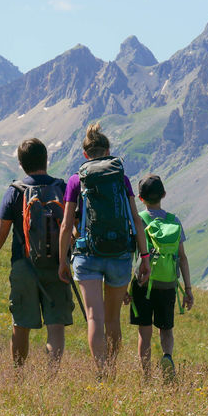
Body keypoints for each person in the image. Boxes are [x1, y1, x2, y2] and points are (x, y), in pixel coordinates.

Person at [58, 122, 150, 379]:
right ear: (109, 150)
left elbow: (66, 225)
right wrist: (144, 258)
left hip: (87, 255)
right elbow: (136, 219)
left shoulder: (77, 180)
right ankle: (112, 367)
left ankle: (102, 372)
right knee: (112, 320)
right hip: (120, 254)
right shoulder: (122, 178)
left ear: (85, 154)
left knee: (94, 318)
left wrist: (62, 261)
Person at [0, 138, 73, 371]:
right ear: (46, 159)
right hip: (58, 263)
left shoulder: (15, 191)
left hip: (24, 265)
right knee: (55, 326)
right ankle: (51, 377)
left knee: (20, 323)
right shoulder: (62, 188)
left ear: (21, 164)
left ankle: (19, 375)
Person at [126, 174, 193, 381]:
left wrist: (124, 288)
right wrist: (188, 289)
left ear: (140, 197)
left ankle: (146, 376)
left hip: (143, 283)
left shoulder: (138, 220)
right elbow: (182, 257)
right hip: (168, 283)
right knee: (166, 328)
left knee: (144, 332)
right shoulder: (174, 221)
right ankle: (167, 356)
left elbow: (130, 256)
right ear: (163, 195)